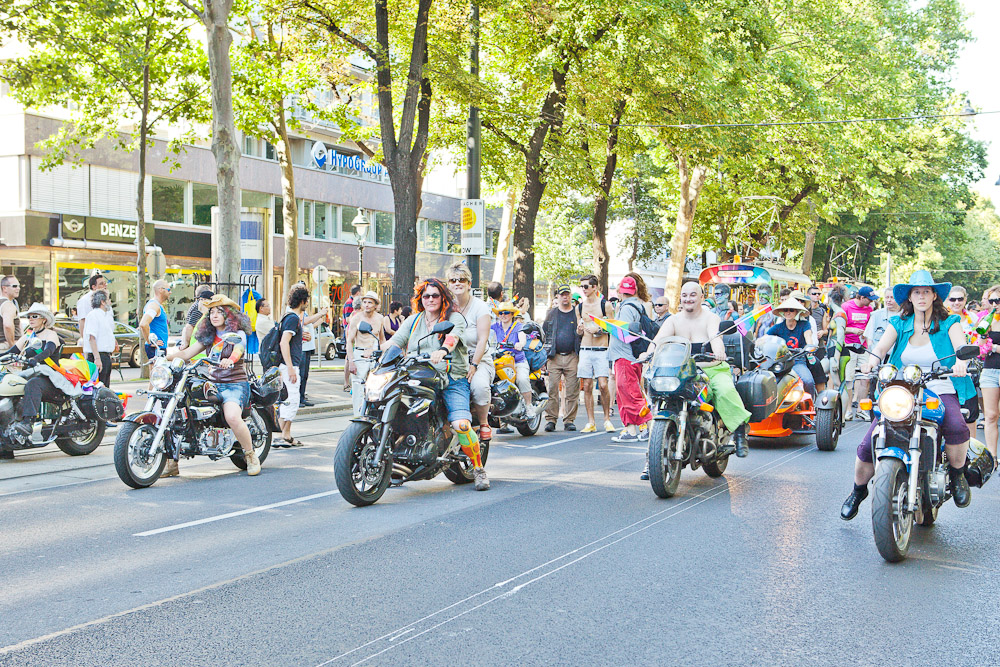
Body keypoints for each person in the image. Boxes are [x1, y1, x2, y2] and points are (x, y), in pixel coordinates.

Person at [841, 271, 975, 520]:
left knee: (956, 425)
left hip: (940, 386)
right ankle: (858, 491)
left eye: (926, 291)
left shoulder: (950, 322)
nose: (922, 296)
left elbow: (959, 347)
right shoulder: (900, 323)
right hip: (903, 388)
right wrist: (871, 361)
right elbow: (881, 347)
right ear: (910, 297)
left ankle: (958, 476)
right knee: (870, 439)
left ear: (935, 295)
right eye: (917, 292)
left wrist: (960, 361)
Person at [386, 278, 489, 491]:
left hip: (450, 379)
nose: (430, 299)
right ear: (420, 299)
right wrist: (377, 352)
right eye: (426, 296)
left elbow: (452, 338)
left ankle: (478, 468)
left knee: (461, 424)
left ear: (443, 297)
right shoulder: (414, 321)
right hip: (417, 377)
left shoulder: (454, 318)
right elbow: (395, 341)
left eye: (435, 295)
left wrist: (442, 350)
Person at [644, 281, 752, 458]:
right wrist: (646, 354)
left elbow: (715, 337)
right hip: (683, 372)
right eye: (685, 295)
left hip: (711, 369)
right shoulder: (673, 320)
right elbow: (658, 340)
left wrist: (719, 351)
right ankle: (651, 458)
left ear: (701, 297)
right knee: (657, 398)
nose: (688, 299)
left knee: (725, 391)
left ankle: (740, 434)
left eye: (693, 295)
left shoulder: (711, 318)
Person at [167, 296, 261, 476]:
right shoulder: (208, 337)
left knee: (232, 416)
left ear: (229, 315)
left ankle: (250, 455)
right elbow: (186, 353)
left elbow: (238, 349)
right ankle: (172, 462)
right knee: (180, 411)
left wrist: (230, 360)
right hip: (213, 384)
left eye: (219, 312)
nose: (214, 315)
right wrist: (165, 358)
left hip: (234, 384)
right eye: (211, 312)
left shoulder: (237, 334)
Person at [447, 263, 496, 441]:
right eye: (453, 280)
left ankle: (484, 422)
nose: (457, 283)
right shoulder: (447, 307)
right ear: (449, 284)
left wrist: (474, 365)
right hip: (451, 360)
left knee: (479, 386)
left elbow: (483, 339)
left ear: (469, 283)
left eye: (462, 280)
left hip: (478, 358)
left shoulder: (480, 307)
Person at [4, 304, 63, 448]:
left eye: (34, 316)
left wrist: (35, 359)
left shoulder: (50, 334)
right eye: (29, 316)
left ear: (43, 319)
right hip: (31, 374)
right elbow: (12, 351)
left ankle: (27, 422)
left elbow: (48, 351)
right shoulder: (28, 336)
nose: (31, 319)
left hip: (49, 377)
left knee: (33, 384)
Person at [610, 275, 654, 444]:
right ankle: (630, 429)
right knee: (624, 395)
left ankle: (650, 426)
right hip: (628, 356)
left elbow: (625, 331)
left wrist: (607, 326)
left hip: (625, 356)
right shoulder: (638, 305)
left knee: (630, 393)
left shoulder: (627, 307)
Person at [576, 274, 615, 433]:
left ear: (594, 287)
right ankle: (591, 421)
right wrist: (579, 330)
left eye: (586, 286)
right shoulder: (579, 307)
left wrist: (599, 329)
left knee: (604, 384)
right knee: (587, 385)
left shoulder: (605, 305)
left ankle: (607, 418)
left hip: (601, 349)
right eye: (582, 287)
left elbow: (613, 327)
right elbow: (579, 330)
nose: (583, 290)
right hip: (585, 348)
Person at [542, 284, 580, 432]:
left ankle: (569, 420)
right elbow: (545, 334)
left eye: (567, 294)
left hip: (572, 356)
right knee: (552, 389)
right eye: (562, 294)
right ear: (557, 296)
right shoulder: (552, 313)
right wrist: (544, 358)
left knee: (572, 390)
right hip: (554, 356)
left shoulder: (576, 312)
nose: (565, 297)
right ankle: (551, 419)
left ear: (570, 295)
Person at [492, 301, 538, 419]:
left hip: (517, 360)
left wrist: (520, 344)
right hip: (499, 360)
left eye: (506, 313)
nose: (503, 315)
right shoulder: (494, 327)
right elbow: (486, 336)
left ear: (512, 314)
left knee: (522, 379)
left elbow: (522, 338)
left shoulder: (518, 326)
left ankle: (528, 406)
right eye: (501, 313)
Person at [835, 285, 875, 420]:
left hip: (863, 346)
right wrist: (852, 330)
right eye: (869, 299)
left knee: (866, 377)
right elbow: (837, 328)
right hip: (848, 345)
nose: (871, 302)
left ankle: (861, 409)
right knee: (848, 379)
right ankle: (847, 409)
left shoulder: (870, 309)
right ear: (861, 297)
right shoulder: (846, 307)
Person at [765, 297, 819, 397]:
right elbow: (765, 338)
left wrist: (810, 347)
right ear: (783, 313)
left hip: (798, 360)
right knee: (770, 383)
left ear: (796, 312)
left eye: (791, 310)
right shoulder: (778, 327)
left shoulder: (804, 324)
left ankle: (810, 405)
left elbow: (808, 337)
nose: (788, 312)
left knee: (808, 381)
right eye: (786, 310)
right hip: (781, 362)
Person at [276, 286, 308, 447]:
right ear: (302, 301)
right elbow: (284, 342)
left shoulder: (289, 317)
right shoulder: (293, 318)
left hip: (288, 365)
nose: (306, 304)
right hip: (289, 366)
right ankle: (282, 435)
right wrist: (290, 367)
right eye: (306, 301)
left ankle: (285, 435)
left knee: (290, 401)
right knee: (291, 400)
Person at [346, 291, 385, 416]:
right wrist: (351, 361)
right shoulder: (356, 318)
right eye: (365, 302)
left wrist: (383, 356)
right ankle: (357, 418)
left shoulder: (380, 318)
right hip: (359, 355)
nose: (367, 305)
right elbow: (349, 340)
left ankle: (372, 416)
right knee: (358, 389)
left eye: (370, 302)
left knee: (375, 389)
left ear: (375, 305)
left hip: (374, 358)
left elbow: (382, 339)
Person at [979, 284, 1000, 459]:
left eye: (998, 301)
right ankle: (992, 457)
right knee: (991, 415)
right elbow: (979, 346)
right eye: (992, 301)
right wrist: (983, 337)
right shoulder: (987, 320)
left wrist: (993, 346)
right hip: (990, 370)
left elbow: (990, 347)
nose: (995, 304)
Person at [84, 291, 116, 388]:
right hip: (97, 355)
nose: (110, 302)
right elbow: (92, 338)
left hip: (106, 355)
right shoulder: (93, 315)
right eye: (108, 300)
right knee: (98, 387)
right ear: (102, 302)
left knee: (105, 386)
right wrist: (97, 358)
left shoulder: (106, 316)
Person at [76, 273, 111, 358]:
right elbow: (82, 322)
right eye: (101, 284)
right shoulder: (85, 300)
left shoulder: (106, 301)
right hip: (92, 346)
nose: (105, 285)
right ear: (93, 287)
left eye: (105, 283)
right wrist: (88, 344)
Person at [138, 280, 171, 361]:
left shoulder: (158, 306)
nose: (170, 292)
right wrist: (150, 342)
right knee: (156, 372)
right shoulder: (154, 305)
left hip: (159, 347)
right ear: (161, 290)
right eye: (168, 290)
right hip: (156, 348)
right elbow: (143, 324)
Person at [178, 283, 213, 350]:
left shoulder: (198, 307)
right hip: (196, 348)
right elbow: (189, 327)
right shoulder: (198, 308)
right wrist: (188, 345)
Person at [0, 275, 22, 352]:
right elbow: (7, 325)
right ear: (4, 288)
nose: (18, 288)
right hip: (5, 347)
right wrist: (13, 346)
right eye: (14, 286)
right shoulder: (8, 305)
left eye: (19, 286)